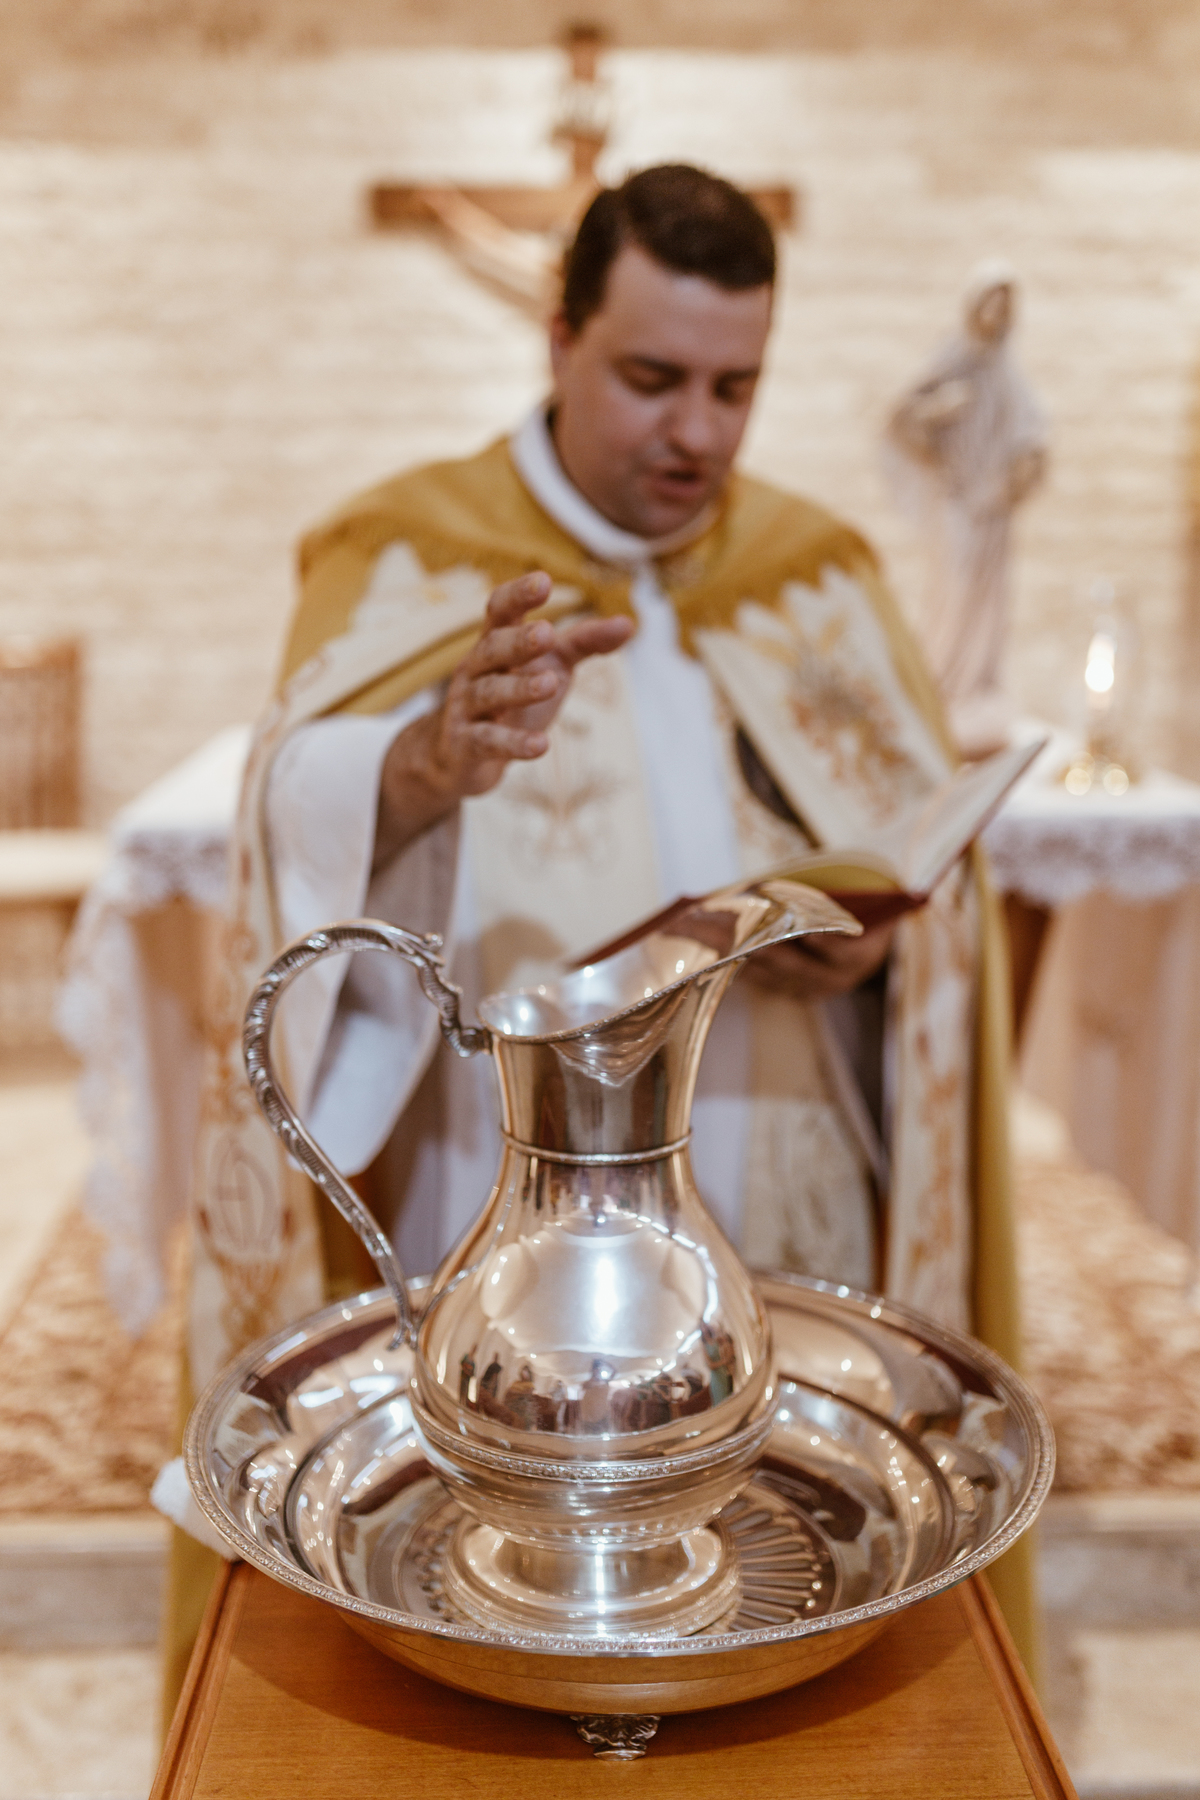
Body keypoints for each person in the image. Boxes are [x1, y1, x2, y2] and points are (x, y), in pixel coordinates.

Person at [177, 166, 1023, 1655]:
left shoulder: (815, 572)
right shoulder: (411, 553)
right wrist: (425, 763)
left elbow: (913, 875)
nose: (696, 432)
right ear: (556, 336)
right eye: (650, 378)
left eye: (734, 387)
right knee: (511, 1577)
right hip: (499, 1189)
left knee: (769, 1567)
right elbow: (285, 808)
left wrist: (877, 956)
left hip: (786, 1166)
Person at [884, 260, 1047, 758]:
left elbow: (1031, 430)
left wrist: (1020, 468)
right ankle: (943, 685)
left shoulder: (1007, 369)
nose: (997, 314)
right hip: (954, 499)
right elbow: (904, 417)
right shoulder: (953, 358)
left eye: (1005, 305)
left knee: (987, 602)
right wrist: (941, 408)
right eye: (990, 303)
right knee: (952, 592)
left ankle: (975, 688)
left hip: (991, 506)